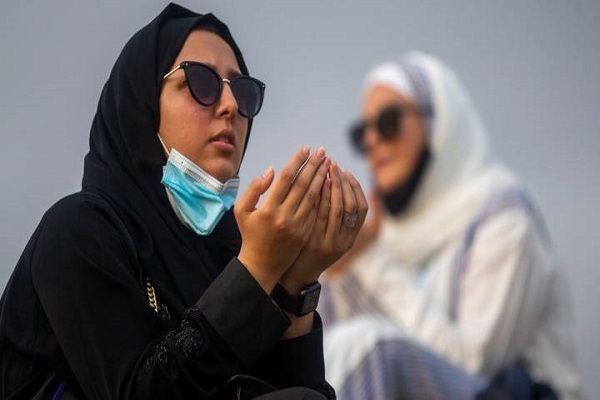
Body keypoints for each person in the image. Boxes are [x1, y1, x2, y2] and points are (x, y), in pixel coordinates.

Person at [0, 3, 368, 399]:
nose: (230, 106)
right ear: (142, 103)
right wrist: (257, 270)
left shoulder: (232, 254)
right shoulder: (78, 232)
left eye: (242, 91)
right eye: (201, 82)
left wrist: (295, 288)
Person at [319, 52, 584, 400]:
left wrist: (369, 261)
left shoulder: (503, 216)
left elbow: (474, 365)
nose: (371, 140)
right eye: (361, 132)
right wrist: (336, 266)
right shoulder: (384, 236)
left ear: (437, 122)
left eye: (387, 122)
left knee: (369, 347)